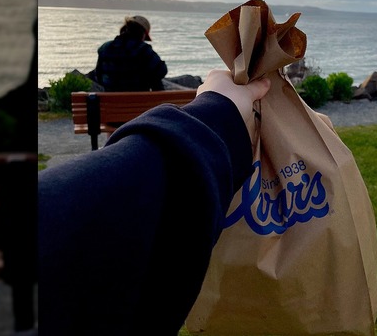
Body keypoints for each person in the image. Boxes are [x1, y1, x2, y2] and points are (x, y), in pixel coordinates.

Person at [38, 69, 272, 335]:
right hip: (150, 118)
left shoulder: (106, 50)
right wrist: (215, 112)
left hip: (115, 120)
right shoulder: (145, 54)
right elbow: (158, 70)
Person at [93, 15, 168, 91]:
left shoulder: (105, 48)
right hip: (139, 96)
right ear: (142, 34)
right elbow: (162, 70)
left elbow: (98, 76)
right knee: (155, 80)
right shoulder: (143, 49)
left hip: (111, 96)